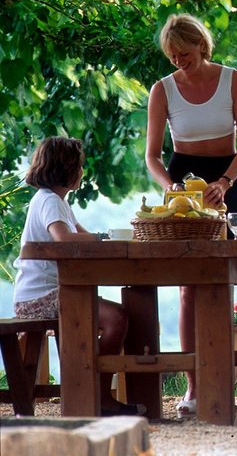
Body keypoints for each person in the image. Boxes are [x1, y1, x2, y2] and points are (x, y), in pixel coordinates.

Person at [145, 13, 237, 418]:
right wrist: (170, 188)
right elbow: (153, 156)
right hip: (182, 182)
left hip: (227, 177)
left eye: (185, 54)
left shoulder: (233, 79)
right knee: (188, 285)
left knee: (225, 279)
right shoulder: (163, 90)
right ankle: (193, 386)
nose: (179, 62)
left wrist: (226, 182)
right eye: (172, 56)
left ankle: (225, 379)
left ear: (203, 47)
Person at [12, 137, 145, 416]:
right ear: (67, 168)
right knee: (116, 318)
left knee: (114, 316)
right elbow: (64, 239)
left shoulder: (57, 202)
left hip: (49, 293)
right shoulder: (50, 201)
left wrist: (104, 237)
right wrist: (103, 239)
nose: (82, 172)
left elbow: (82, 236)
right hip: (42, 297)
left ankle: (88, 387)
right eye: (80, 166)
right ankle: (96, 393)